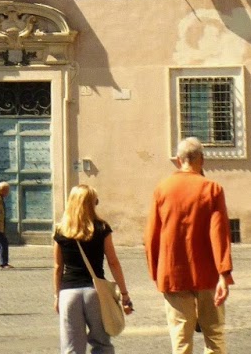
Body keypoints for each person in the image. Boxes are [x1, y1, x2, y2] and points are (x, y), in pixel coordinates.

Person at [145, 135, 234, 354]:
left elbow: (151, 235)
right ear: (201, 160)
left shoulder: (162, 189)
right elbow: (219, 233)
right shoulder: (212, 189)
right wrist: (224, 273)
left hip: (173, 273)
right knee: (214, 336)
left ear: (178, 160)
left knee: (181, 339)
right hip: (208, 273)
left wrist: (156, 272)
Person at [54, 184, 133, 354]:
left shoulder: (61, 230)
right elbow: (113, 262)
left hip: (69, 292)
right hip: (95, 292)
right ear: (91, 204)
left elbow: (58, 267)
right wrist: (124, 294)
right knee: (102, 343)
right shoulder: (102, 228)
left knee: (71, 348)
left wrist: (57, 295)